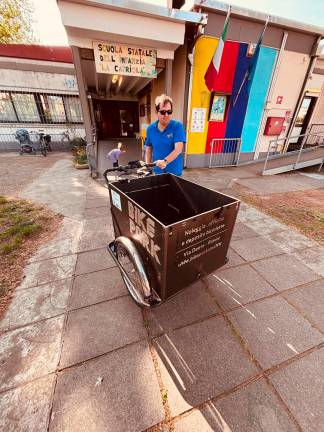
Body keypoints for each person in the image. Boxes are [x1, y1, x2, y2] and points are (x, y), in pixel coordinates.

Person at [145, 94, 186, 176]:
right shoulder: (150, 129)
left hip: (174, 172)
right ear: (156, 112)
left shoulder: (177, 126)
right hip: (158, 171)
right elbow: (149, 148)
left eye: (169, 112)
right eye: (163, 112)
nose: (166, 115)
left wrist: (165, 161)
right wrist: (148, 166)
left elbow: (178, 149)